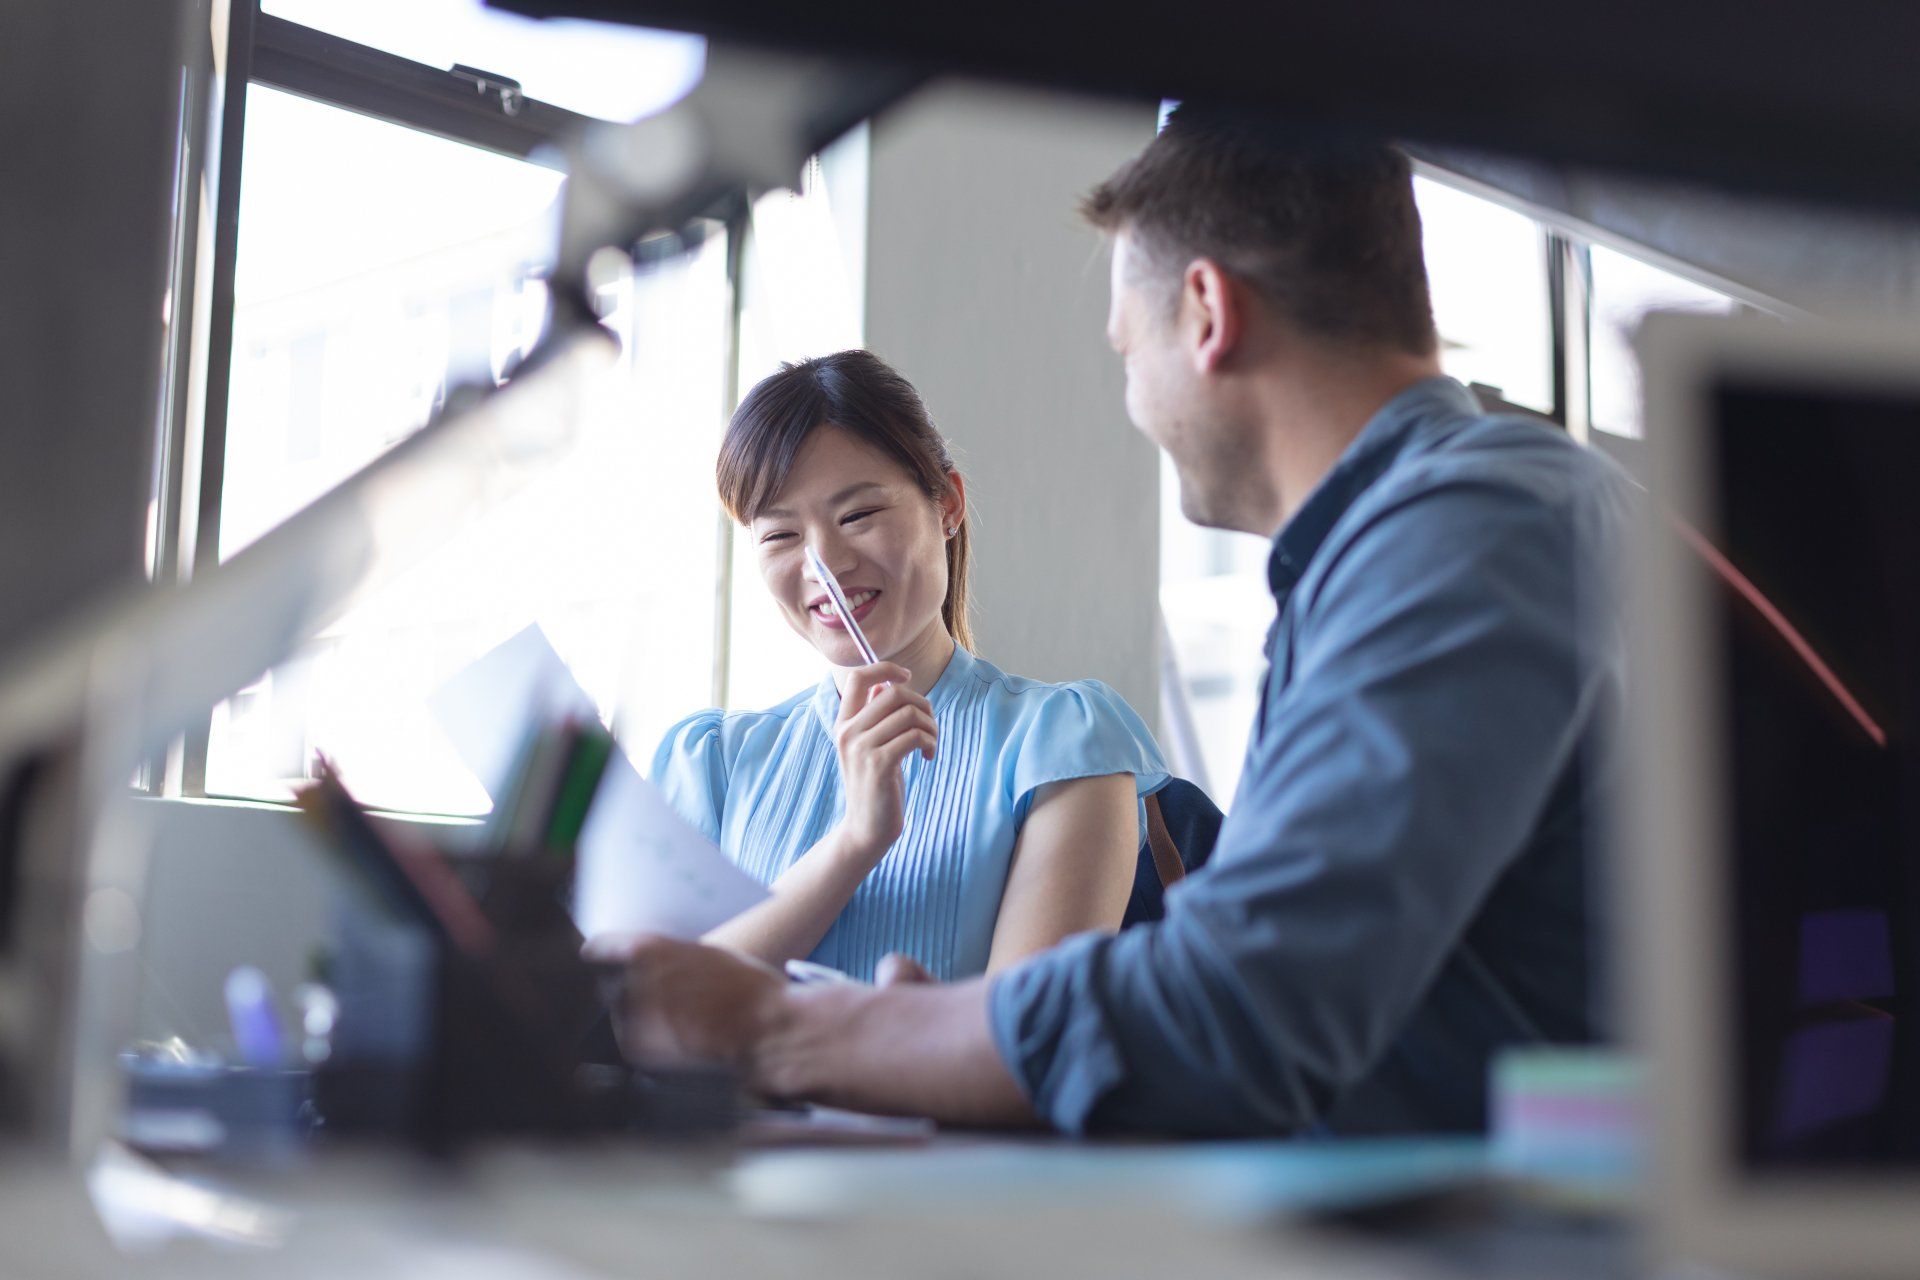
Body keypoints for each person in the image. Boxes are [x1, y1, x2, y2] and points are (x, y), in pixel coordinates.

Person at [592, 106, 1632, 1136]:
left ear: (1207, 313)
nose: (1132, 398)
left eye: (1128, 351)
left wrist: (788, 1029)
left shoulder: (1462, 530)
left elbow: (1241, 1007)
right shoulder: (1410, 545)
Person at [649, 349, 1169, 983]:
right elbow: (655, 1014)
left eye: (858, 516)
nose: (826, 567)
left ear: (947, 505)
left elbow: (1013, 1052)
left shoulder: (1062, 743)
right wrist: (855, 841)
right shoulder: (715, 763)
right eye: (780, 536)